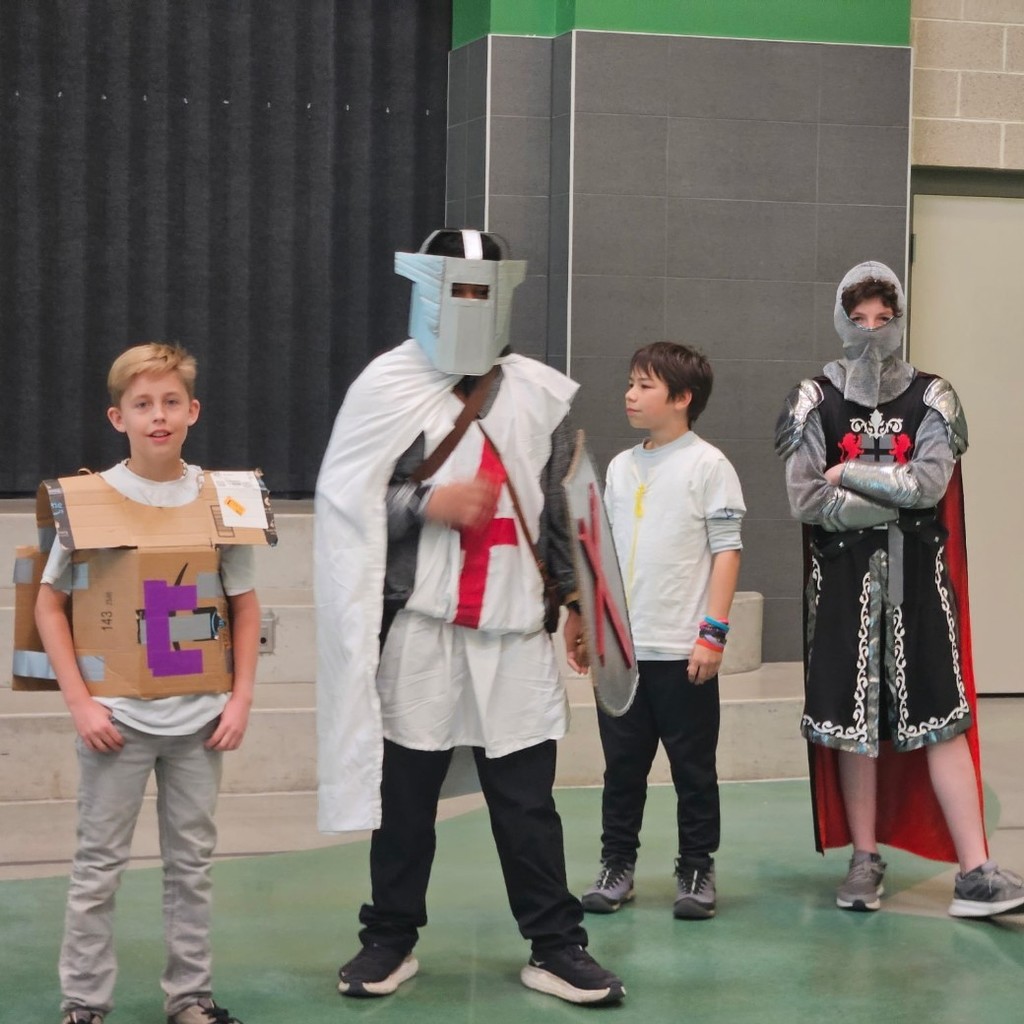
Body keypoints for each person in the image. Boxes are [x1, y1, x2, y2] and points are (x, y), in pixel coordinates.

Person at [315, 228, 624, 1006]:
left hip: (517, 633)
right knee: (407, 798)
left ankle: (556, 947)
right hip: (423, 627)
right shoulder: (388, 385)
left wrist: (579, 600)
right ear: (427, 290)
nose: (470, 307)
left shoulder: (538, 392)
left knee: (526, 804)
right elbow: (346, 501)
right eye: (458, 290)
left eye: (484, 291)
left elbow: (556, 508)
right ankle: (388, 939)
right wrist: (428, 501)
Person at [775, 260, 1024, 917]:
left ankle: (976, 869)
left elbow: (930, 487)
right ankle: (864, 860)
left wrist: (847, 473)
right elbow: (804, 497)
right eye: (858, 318)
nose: (871, 331)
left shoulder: (934, 397)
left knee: (941, 721)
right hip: (843, 588)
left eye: (884, 318)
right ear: (839, 318)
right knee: (855, 728)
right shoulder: (814, 399)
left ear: (901, 318)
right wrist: (887, 489)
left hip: (919, 586)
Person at [35, 343, 261, 1024]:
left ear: (192, 411)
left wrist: (242, 697)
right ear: (117, 416)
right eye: (142, 405)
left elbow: (244, 604)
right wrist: (80, 702)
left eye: (170, 402)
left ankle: (190, 996)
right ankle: (84, 1002)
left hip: (200, 721)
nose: (157, 416)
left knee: (191, 865)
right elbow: (50, 602)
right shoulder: (90, 501)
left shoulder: (225, 501)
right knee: (97, 867)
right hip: (116, 721)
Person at [579, 342, 744, 920]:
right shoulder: (622, 468)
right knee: (621, 769)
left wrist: (712, 634)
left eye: (645, 385)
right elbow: (604, 555)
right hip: (624, 653)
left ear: (682, 398)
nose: (630, 393)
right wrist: (595, 630)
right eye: (630, 382)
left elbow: (727, 554)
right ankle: (616, 864)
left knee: (693, 769)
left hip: (683, 651)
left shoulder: (710, 466)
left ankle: (696, 866)